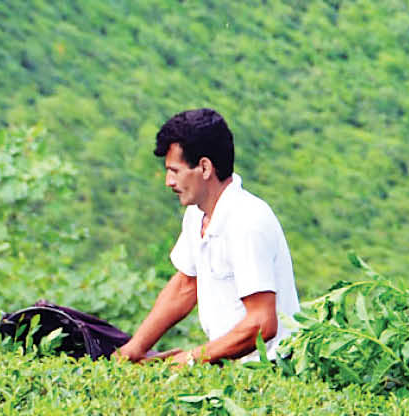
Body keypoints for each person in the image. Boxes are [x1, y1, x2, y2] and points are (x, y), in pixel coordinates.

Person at [112, 109, 300, 366]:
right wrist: (134, 348)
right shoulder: (196, 215)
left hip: (269, 367)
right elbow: (185, 286)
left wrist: (190, 359)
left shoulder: (247, 221)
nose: (168, 181)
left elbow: (262, 323)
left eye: (175, 171)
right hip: (228, 363)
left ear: (204, 167)